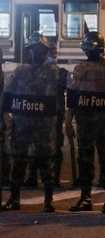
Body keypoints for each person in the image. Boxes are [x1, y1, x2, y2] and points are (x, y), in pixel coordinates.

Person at [66, 31, 105, 213]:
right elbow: (74, 97)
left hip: (102, 122)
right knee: (85, 161)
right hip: (85, 123)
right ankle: (86, 197)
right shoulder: (80, 68)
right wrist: (68, 122)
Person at [1, 33, 59, 212]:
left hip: (43, 125)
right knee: (19, 161)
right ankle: (14, 198)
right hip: (22, 124)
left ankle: (48, 200)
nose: (38, 54)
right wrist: (4, 116)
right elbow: (8, 95)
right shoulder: (20, 71)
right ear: (29, 52)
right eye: (35, 50)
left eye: (41, 50)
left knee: (45, 162)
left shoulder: (53, 72)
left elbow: (56, 99)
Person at [23, 46, 68, 187]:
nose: (53, 56)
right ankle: (32, 176)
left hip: (53, 116)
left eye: (55, 53)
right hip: (36, 114)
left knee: (55, 147)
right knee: (34, 147)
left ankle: (55, 178)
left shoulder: (60, 73)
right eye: (51, 53)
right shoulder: (31, 72)